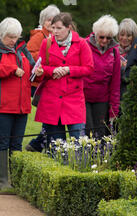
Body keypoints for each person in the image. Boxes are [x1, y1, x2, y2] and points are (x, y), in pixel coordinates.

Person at [0, 17, 43, 189]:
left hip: (22, 105)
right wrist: (11, 70)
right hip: (2, 106)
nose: (13, 40)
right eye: (10, 37)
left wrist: (38, 73)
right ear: (1, 35)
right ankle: (3, 181)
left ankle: (16, 179)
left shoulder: (22, 50)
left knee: (17, 144)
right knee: (3, 142)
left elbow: (31, 72)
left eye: (16, 36)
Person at [34, 12, 94, 146]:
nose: (55, 31)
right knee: (56, 146)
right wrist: (52, 70)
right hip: (52, 99)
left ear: (68, 28)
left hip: (74, 100)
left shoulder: (82, 44)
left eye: (59, 28)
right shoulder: (46, 43)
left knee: (79, 144)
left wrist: (69, 70)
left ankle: (80, 167)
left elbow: (89, 68)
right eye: (53, 27)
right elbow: (41, 67)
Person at [25, 5, 61, 153]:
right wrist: (46, 58)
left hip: (49, 81)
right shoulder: (40, 36)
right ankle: (39, 143)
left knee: (51, 114)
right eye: (48, 20)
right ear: (43, 21)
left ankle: (39, 143)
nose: (51, 23)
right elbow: (29, 54)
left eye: (54, 20)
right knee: (50, 114)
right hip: (38, 82)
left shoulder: (56, 36)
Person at [83, 15, 121, 138]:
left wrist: (114, 109)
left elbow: (115, 83)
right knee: (87, 133)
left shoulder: (114, 52)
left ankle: (97, 157)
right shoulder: (84, 45)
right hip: (83, 97)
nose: (104, 40)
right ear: (96, 33)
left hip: (102, 99)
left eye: (108, 38)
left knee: (100, 135)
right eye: (102, 37)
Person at [117, 18, 137, 97]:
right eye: (122, 34)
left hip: (129, 95)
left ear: (134, 36)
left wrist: (123, 67)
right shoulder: (112, 50)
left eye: (128, 35)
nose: (124, 38)